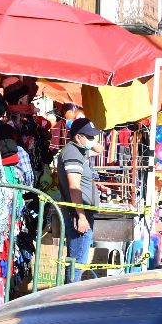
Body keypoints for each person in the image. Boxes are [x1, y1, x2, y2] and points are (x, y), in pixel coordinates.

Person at [57, 117, 103, 283]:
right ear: (78, 136)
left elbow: (99, 149)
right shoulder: (72, 153)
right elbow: (74, 187)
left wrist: (91, 141)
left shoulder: (80, 150)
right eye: (89, 136)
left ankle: (69, 292)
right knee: (77, 263)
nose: (92, 139)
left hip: (82, 211)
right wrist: (81, 216)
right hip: (78, 213)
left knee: (77, 261)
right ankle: (69, 295)